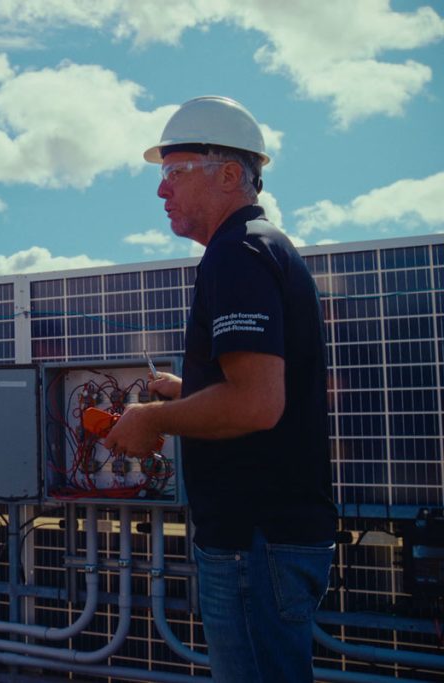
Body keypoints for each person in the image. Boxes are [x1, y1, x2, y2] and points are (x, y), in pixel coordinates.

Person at [104, 96, 337, 682]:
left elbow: (256, 404)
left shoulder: (237, 254)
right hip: (273, 539)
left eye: (173, 173)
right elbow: (265, 391)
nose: (162, 192)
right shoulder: (264, 247)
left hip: (253, 542)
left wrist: (152, 421)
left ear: (230, 174)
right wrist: (186, 392)